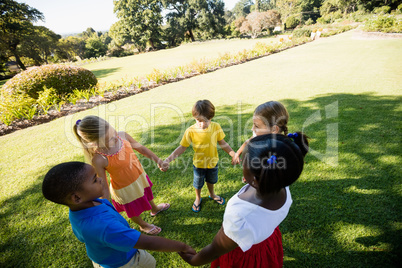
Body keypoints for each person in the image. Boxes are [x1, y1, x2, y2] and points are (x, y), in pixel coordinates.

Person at [179, 132, 309, 268]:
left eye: (244, 161)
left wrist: (194, 261)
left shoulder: (240, 215)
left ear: (255, 179)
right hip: (268, 242)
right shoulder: (282, 184)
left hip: (245, 258)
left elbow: (216, 250)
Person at [42, 162, 195, 268]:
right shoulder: (103, 226)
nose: (101, 179)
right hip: (126, 262)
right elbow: (148, 243)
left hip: (104, 257)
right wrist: (182, 246)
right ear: (76, 197)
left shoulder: (80, 207)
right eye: (95, 180)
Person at [74, 115, 169, 235]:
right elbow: (102, 185)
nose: (115, 138)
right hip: (125, 189)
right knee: (133, 209)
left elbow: (142, 149)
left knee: (147, 193)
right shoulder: (99, 159)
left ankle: (154, 208)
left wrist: (158, 161)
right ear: (94, 143)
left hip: (139, 176)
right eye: (109, 139)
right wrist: (105, 205)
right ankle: (143, 225)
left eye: (113, 132)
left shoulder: (122, 136)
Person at [162, 100, 236, 212]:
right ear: (194, 118)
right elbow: (182, 147)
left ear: (211, 117)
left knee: (211, 180)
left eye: (205, 121)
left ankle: (212, 194)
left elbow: (222, 143)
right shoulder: (190, 131)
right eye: (198, 120)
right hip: (199, 164)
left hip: (212, 162)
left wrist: (233, 154)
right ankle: (198, 198)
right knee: (198, 183)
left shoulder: (216, 127)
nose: (202, 124)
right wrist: (168, 160)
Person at [232, 101, 290, 183]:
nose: (252, 129)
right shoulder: (257, 135)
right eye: (253, 124)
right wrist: (237, 153)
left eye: (256, 126)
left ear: (274, 129)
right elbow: (248, 141)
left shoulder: (278, 150)